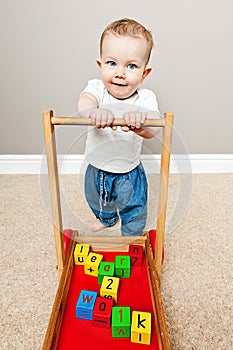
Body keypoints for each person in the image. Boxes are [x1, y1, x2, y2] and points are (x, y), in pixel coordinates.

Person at [77, 18, 161, 236]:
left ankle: (131, 234)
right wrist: (93, 112)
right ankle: (107, 218)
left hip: (128, 171)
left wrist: (141, 123)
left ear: (144, 73)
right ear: (100, 65)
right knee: (96, 199)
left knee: (134, 205)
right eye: (111, 63)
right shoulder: (96, 89)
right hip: (96, 166)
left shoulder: (145, 99)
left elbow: (154, 129)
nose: (120, 73)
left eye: (131, 66)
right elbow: (84, 103)